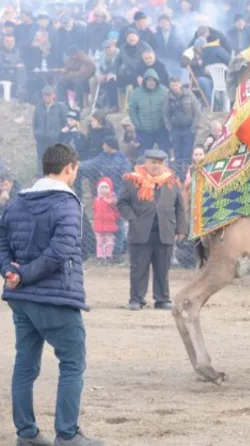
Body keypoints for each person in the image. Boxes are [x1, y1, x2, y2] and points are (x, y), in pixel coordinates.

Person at [0, 144, 105, 446]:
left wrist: (10, 271)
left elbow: (2, 238)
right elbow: (61, 252)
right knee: (72, 362)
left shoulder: (18, 202)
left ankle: (27, 434)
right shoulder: (67, 204)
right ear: (70, 167)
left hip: (21, 299)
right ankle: (67, 434)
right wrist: (23, 273)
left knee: (25, 364)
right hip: (55, 296)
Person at [117, 149, 187, 311]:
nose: (157, 166)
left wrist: (181, 229)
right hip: (140, 232)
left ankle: (162, 299)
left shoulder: (171, 182)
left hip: (165, 231)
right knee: (138, 268)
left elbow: (180, 207)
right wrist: (133, 218)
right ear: (145, 163)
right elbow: (122, 203)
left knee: (163, 269)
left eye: (160, 162)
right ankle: (136, 299)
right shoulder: (132, 181)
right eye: (153, 162)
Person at [92, 177, 119, 265]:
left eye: (106, 187)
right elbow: (95, 211)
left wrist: (114, 218)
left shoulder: (112, 200)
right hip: (99, 225)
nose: (103, 190)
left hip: (109, 224)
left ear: (110, 188)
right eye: (101, 188)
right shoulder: (96, 200)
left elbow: (117, 211)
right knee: (99, 241)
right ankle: (100, 256)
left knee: (109, 241)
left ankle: (108, 255)